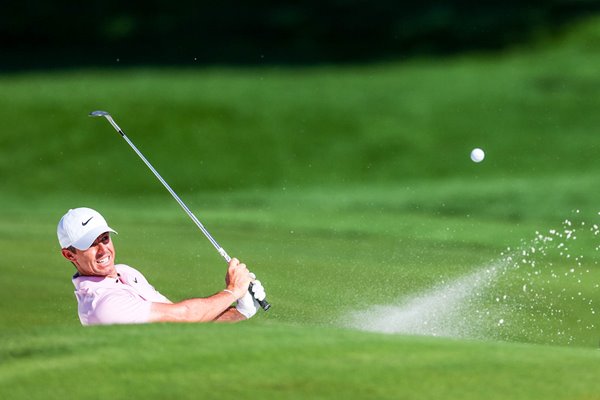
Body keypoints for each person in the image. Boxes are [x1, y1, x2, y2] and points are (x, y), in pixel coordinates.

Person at [57, 207, 266, 326]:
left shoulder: (125, 272)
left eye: (104, 238)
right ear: (69, 254)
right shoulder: (102, 305)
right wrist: (231, 291)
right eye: (91, 244)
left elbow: (186, 326)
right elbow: (183, 316)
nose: (103, 250)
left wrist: (243, 309)